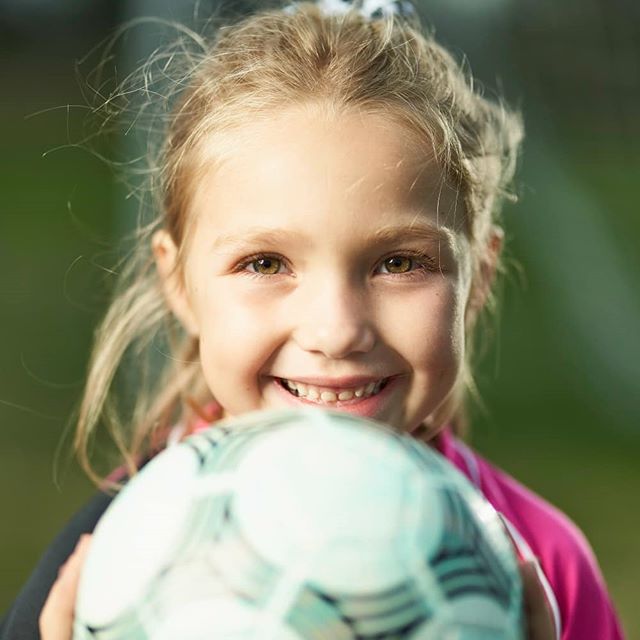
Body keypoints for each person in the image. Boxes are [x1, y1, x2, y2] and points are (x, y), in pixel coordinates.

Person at [1, 1, 624, 638]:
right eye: (266, 263)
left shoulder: (540, 565)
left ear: (478, 279)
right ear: (179, 282)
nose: (335, 330)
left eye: (399, 263)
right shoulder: (122, 556)